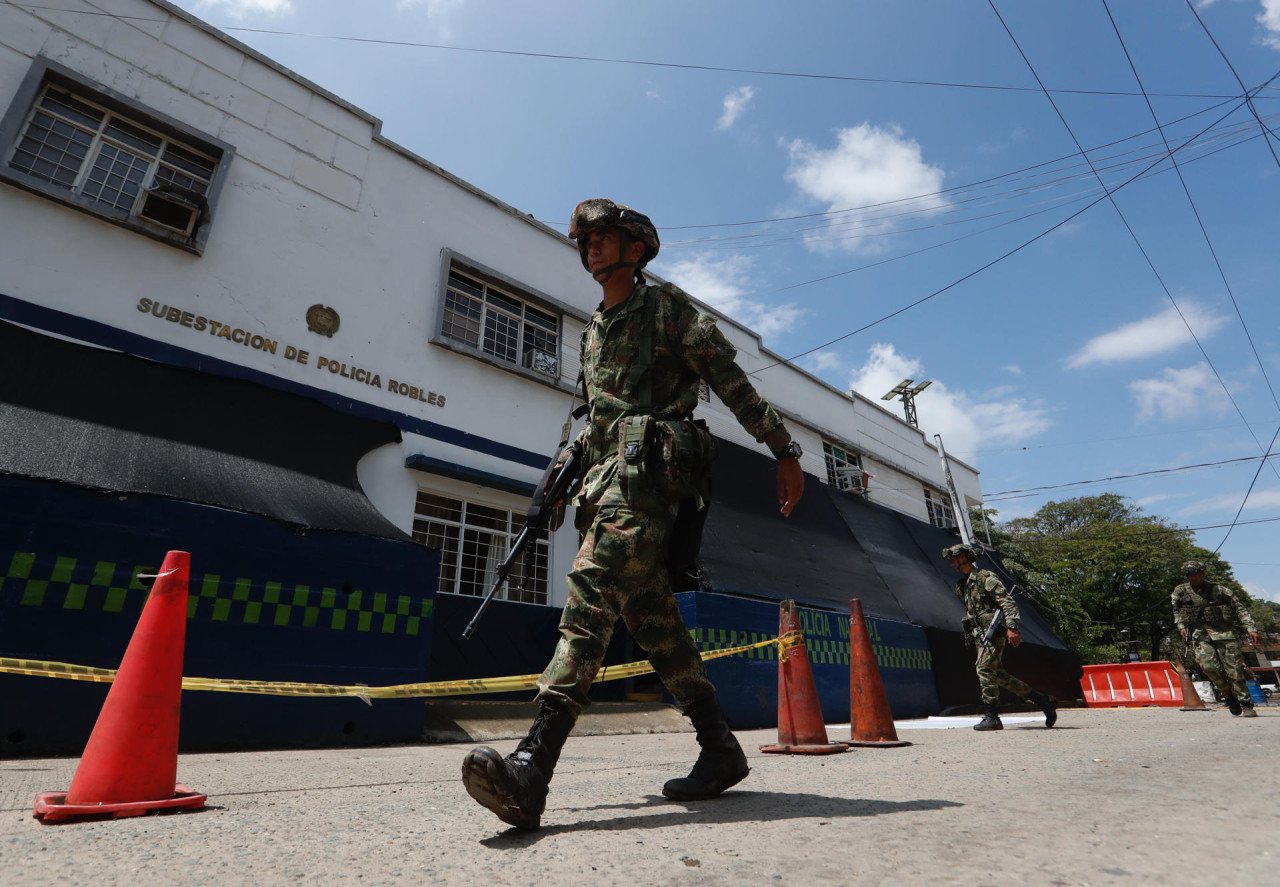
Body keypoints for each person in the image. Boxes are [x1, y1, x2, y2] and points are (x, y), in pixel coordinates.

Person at [461, 198, 805, 830]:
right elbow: (594, 419)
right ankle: (720, 748)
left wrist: (783, 449)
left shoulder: (665, 308)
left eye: (603, 237)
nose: (591, 247)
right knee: (657, 630)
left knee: (589, 592)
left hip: (648, 476)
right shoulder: (593, 330)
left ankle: (533, 766)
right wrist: (562, 483)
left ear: (636, 246)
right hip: (604, 482)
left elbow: (728, 376)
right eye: (584, 240)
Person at [943, 543, 1057, 731]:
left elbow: (1007, 603)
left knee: (984, 668)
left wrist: (1012, 627)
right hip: (980, 635)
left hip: (993, 632)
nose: (951, 562)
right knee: (999, 676)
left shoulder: (985, 578)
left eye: (954, 558)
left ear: (964, 558)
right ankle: (1043, 700)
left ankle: (992, 716)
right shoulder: (963, 585)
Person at [1172, 560, 1259, 717]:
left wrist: (1250, 628)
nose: (1193, 577)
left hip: (1225, 634)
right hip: (1201, 635)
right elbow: (1176, 610)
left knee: (1234, 670)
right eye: (1190, 575)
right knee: (1209, 668)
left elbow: (1239, 608)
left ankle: (1246, 703)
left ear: (1203, 574)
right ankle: (1229, 695)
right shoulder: (1181, 592)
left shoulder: (1219, 590)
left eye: (1196, 574)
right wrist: (1181, 626)